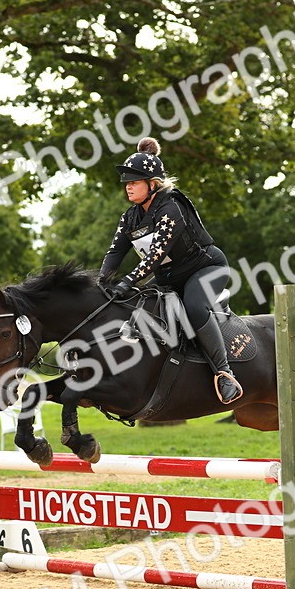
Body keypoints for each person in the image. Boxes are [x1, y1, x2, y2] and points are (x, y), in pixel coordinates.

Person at [99, 137, 244, 404]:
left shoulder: (171, 207)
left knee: (194, 306)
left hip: (206, 269)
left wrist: (128, 280)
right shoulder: (130, 217)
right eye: (127, 183)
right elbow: (115, 252)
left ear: (152, 184)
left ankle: (225, 373)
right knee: (138, 305)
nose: (128, 187)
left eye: (134, 182)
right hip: (169, 276)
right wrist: (102, 282)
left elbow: (155, 255)